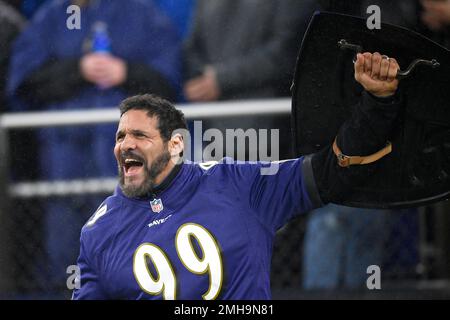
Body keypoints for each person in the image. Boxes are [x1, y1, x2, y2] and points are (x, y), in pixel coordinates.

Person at [73, 51, 402, 299]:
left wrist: (378, 103)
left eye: (139, 136)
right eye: (120, 137)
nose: (125, 145)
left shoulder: (237, 183)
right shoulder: (97, 233)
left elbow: (329, 174)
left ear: (175, 145)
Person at [6, 0, 181, 296]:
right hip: (63, 173)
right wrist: (78, 70)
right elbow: (24, 85)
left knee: (135, 257)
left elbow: (169, 83)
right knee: (64, 259)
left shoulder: (142, 15)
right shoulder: (51, 18)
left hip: (131, 176)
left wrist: (126, 72)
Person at [183, 0, 319, 161]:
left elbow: (286, 53)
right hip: (215, 129)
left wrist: (219, 79)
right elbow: (192, 46)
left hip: (268, 127)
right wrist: (204, 77)